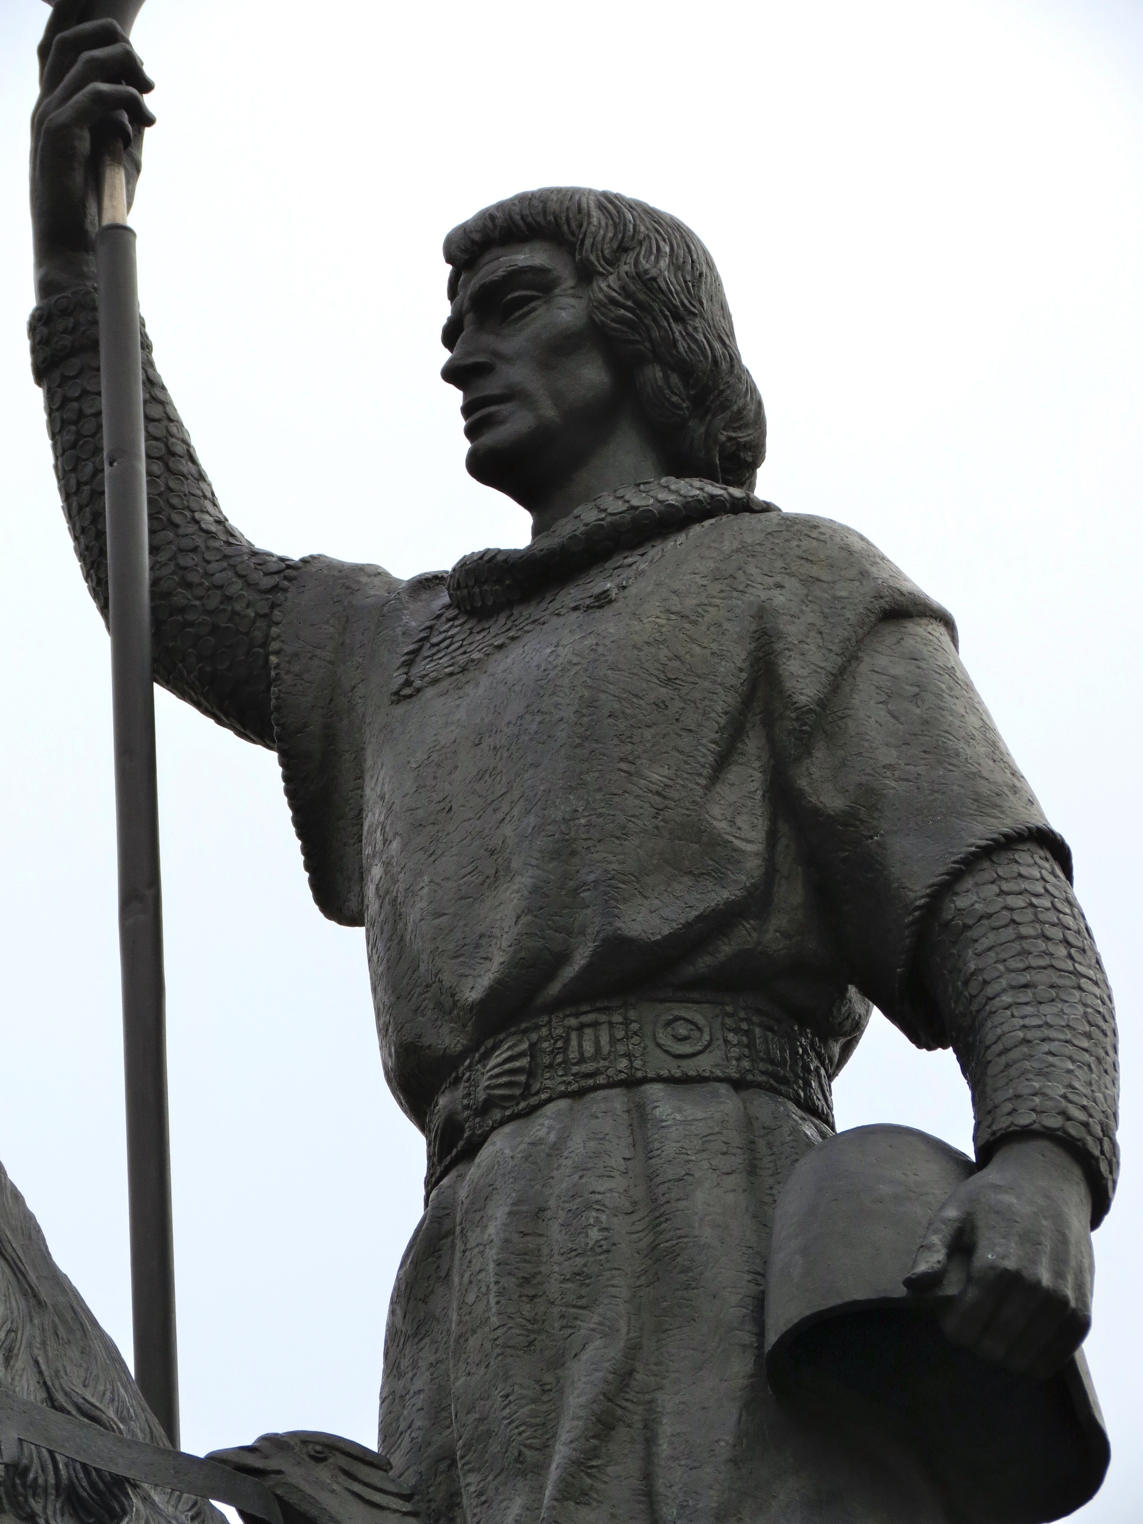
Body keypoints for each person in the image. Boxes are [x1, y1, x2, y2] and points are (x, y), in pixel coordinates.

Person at [28, 4, 1119, 1520]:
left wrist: (1046, 1157)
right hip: (469, 1266)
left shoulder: (786, 580)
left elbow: (993, 896)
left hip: (710, 1209)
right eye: (454, 328)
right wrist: (74, 272)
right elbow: (176, 573)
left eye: (512, 307)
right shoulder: (395, 644)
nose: (462, 356)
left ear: (644, 328)